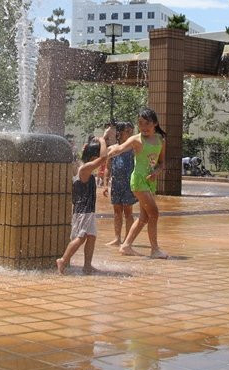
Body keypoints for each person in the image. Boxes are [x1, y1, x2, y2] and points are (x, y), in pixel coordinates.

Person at [108, 108, 169, 259]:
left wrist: (156, 172)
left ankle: (126, 246)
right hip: (138, 180)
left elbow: (161, 163)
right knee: (154, 213)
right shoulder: (136, 139)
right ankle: (154, 249)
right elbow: (120, 149)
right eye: (140, 123)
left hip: (150, 181)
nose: (143, 127)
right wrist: (107, 152)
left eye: (147, 123)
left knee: (145, 217)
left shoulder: (160, 140)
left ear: (155, 123)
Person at [56, 137, 108, 274]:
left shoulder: (85, 169)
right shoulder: (84, 169)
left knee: (91, 236)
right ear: (92, 158)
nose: (100, 164)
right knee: (81, 237)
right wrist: (102, 140)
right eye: (96, 159)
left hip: (88, 211)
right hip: (83, 211)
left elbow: (103, 158)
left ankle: (87, 265)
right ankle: (63, 260)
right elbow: (104, 158)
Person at [103, 121, 136, 247]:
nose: (130, 134)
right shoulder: (112, 149)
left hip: (129, 184)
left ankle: (128, 239)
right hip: (116, 184)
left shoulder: (133, 149)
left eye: (132, 132)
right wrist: (105, 185)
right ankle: (117, 238)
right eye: (127, 131)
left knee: (128, 212)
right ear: (120, 133)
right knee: (117, 211)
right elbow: (108, 168)